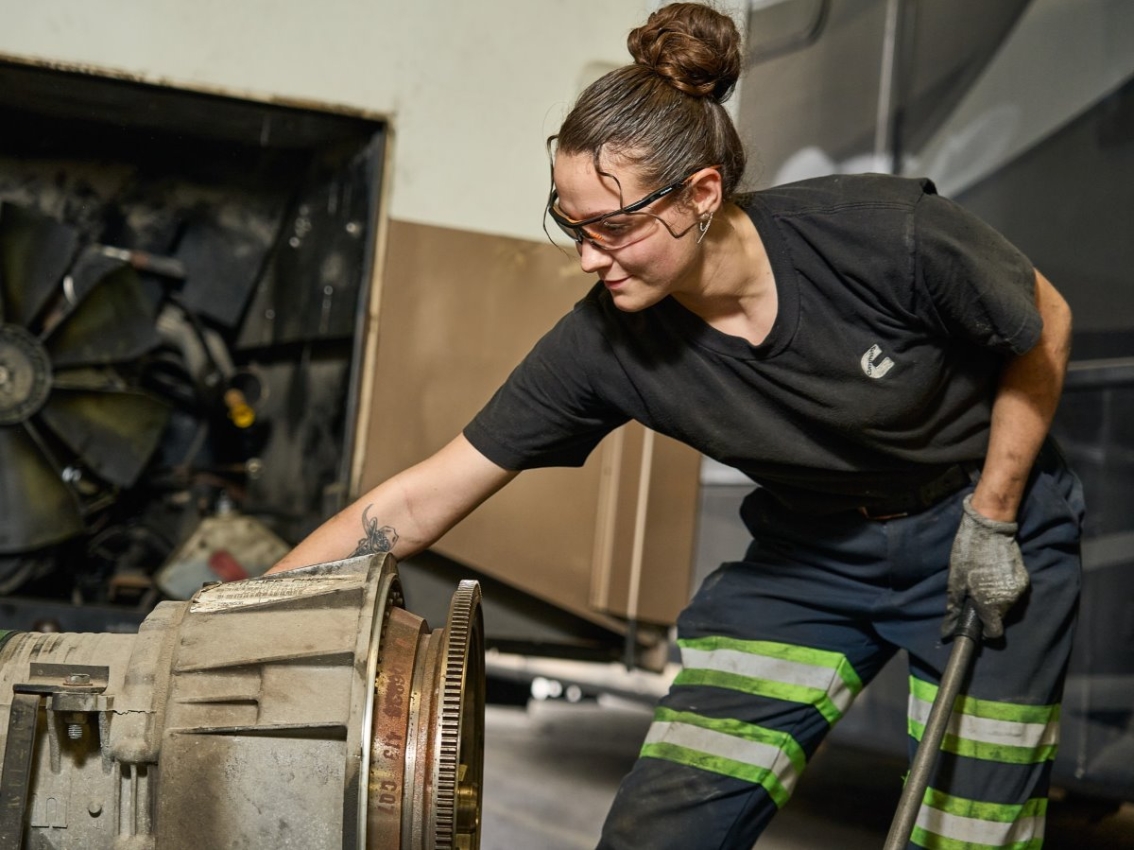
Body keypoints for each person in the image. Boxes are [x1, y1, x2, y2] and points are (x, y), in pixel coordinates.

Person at [268, 3, 1083, 848]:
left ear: (701, 193)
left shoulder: (877, 235)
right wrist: (232, 615)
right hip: (813, 555)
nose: (589, 257)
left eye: (614, 227)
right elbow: (428, 495)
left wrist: (992, 515)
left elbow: (1044, 322)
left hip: (982, 519)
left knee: (969, 833)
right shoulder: (604, 341)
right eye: (571, 225)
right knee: (659, 835)